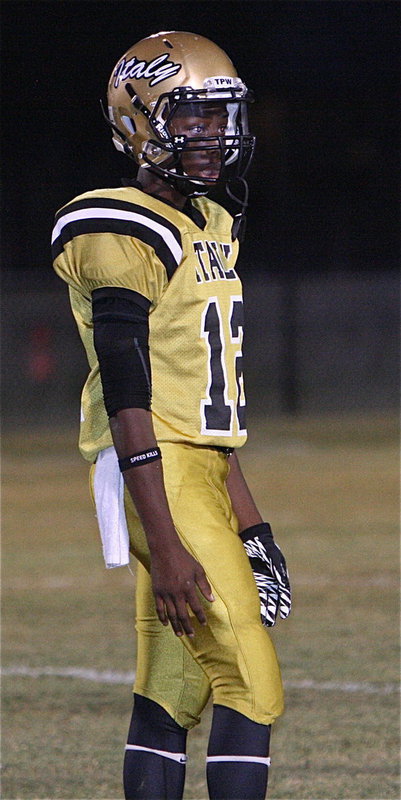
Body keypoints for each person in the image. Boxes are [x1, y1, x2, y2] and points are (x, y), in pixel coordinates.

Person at [51, 31, 291, 800]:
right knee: (251, 684)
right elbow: (130, 397)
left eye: (220, 118)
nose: (211, 136)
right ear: (137, 120)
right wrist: (165, 535)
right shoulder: (116, 224)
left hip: (200, 470)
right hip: (155, 468)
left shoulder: (211, 224)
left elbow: (209, 406)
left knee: (172, 689)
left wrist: (252, 527)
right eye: (189, 118)